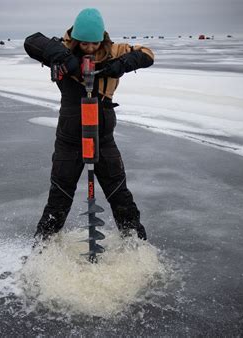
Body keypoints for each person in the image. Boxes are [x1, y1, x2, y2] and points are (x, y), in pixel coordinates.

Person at [24, 8, 154, 242]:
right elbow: (31, 42)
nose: (91, 48)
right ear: (75, 39)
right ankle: (42, 252)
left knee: (120, 197)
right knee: (58, 200)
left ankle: (136, 247)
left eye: (95, 43)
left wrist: (123, 64)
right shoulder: (62, 49)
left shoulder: (115, 51)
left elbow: (148, 54)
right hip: (69, 140)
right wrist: (63, 58)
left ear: (102, 38)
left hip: (103, 139)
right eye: (84, 44)